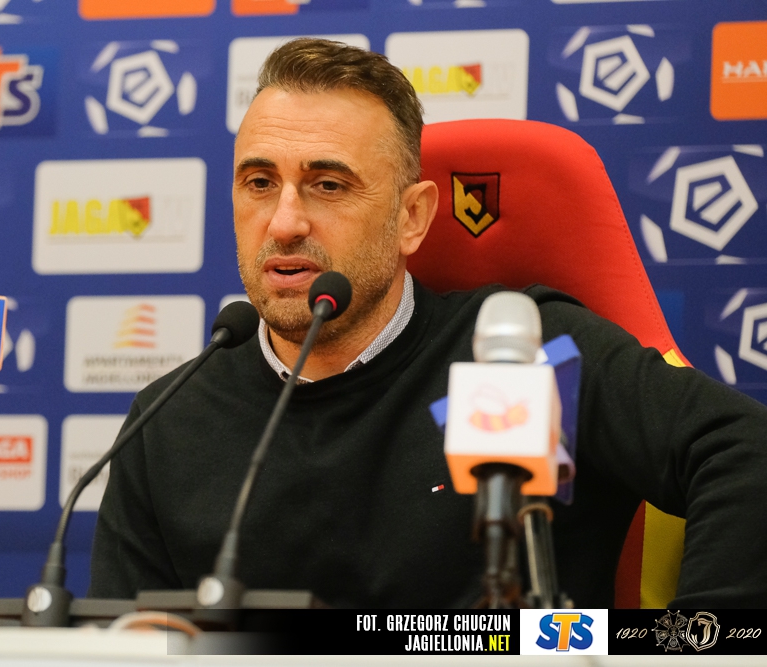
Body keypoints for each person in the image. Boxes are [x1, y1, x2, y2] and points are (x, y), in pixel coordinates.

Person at [88, 38, 767, 608]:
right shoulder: (168, 420)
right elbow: (128, 642)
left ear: (412, 217)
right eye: (260, 183)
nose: (285, 222)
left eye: (328, 185)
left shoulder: (531, 355)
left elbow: (744, 452)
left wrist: (694, 644)